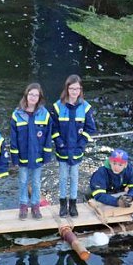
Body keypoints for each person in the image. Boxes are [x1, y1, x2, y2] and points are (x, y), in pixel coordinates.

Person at [51, 75, 96, 218]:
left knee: (74, 177)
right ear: (67, 89)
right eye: (72, 88)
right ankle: (63, 204)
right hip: (62, 149)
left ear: (80, 89)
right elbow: (53, 128)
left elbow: (90, 128)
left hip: (77, 150)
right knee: (63, 177)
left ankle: (73, 204)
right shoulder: (58, 106)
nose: (74, 91)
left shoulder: (86, 107)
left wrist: (81, 144)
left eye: (77, 88)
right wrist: (59, 143)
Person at [10, 83, 53, 220]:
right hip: (23, 155)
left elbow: (48, 136)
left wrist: (46, 155)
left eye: (36, 95)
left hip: (38, 155)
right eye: (31, 94)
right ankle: (23, 205)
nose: (33, 97)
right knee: (23, 181)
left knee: (36, 182)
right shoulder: (17, 114)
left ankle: (35, 205)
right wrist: (14, 157)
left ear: (39, 97)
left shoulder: (45, 114)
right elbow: (13, 138)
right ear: (26, 95)